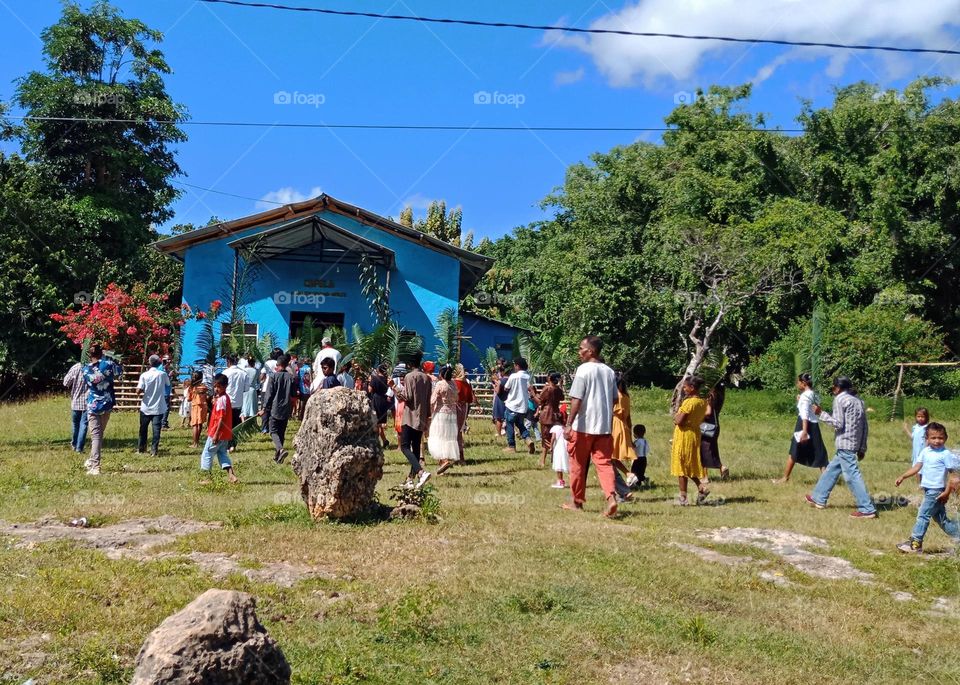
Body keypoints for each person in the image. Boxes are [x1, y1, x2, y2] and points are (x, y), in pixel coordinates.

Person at [562, 336, 619, 518]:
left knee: (578, 464)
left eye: (581, 349)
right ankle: (611, 498)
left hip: (583, 426)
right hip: (604, 427)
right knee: (604, 464)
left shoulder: (583, 370)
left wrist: (569, 424)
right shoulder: (609, 372)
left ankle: (577, 502)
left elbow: (576, 399)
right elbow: (615, 399)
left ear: (591, 351)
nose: (579, 352)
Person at [805, 376, 877, 519]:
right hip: (854, 443)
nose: (833, 391)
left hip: (844, 443)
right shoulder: (858, 401)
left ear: (838, 388)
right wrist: (862, 447)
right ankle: (818, 497)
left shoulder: (840, 399)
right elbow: (864, 426)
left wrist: (820, 413)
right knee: (831, 470)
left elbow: (838, 424)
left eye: (833, 388)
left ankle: (867, 508)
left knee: (852, 476)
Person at [894, 422, 959, 553]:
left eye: (940, 438)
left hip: (936, 491)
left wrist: (946, 493)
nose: (937, 441)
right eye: (933, 438)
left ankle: (915, 544)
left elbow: (953, 476)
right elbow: (917, 467)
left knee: (922, 515)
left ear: (945, 438)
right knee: (941, 519)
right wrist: (903, 476)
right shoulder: (925, 451)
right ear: (927, 439)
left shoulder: (945, 454)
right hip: (928, 489)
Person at [387, 351, 432, 488]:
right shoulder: (426, 378)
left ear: (410, 364)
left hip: (410, 416)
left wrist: (393, 387)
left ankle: (421, 472)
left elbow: (406, 397)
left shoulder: (409, 377)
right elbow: (428, 398)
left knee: (405, 447)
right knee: (416, 448)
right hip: (422, 416)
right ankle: (411, 480)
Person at [773, 373, 829, 484]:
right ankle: (827, 479)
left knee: (794, 450)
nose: (797, 384)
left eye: (798, 382)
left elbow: (804, 413)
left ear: (803, 383)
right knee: (819, 451)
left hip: (804, 424)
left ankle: (785, 478)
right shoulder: (814, 394)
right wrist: (800, 401)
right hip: (814, 424)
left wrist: (804, 430)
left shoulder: (804, 396)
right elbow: (816, 409)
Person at [81, 345, 123, 476]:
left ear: (89, 355)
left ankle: (95, 465)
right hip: (107, 404)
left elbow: (92, 381)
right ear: (101, 353)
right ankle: (92, 459)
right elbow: (120, 372)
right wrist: (110, 358)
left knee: (96, 436)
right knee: (99, 435)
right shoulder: (109, 364)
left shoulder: (86, 369)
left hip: (94, 405)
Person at [671, 375, 710, 506]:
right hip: (695, 433)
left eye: (686, 386)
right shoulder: (702, 402)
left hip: (684, 435)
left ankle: (683, 497)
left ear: (692, 388)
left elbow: (679, 421)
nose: (684, 388)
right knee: (689, 464)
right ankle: (702, 488)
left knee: (681, 466)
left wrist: (676, 417)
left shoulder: (689, 402)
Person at [199, 373, 238, 484]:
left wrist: (216, 434)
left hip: (217, 432)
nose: (216, 389)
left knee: (207, 454)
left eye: (219, 387)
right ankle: (232, 476)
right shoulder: (224, 398)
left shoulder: (221, 400)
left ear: (225, 386)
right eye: (215, 386)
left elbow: (220, 418)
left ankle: (206, 478)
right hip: (225, 434)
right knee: (222, 454)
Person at [260, 353, 296, 464]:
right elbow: (294, 394)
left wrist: (264, 408)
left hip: (275, 408)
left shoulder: (274, 377)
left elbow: (269, 394)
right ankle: (278, 457)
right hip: (286, 408)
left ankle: (280, 449)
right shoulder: (291, 377)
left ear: (279, 365)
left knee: (273, 431)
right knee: (281, 432)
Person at [428, 365, 460, 474]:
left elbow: (432, 400)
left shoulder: (440, 384)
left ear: (441, 374)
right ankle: (443, 463)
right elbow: (457, 398)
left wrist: (430, 411)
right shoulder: (454, 384)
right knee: (448, 437)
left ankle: (444, 460)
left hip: (441, 413)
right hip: (452, 414)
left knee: (438, 437)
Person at [136, 354, 170, 456]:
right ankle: (154, 450)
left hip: (146, 406)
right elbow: (168, 384)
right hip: (159, 406)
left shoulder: (144, 375)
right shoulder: (163, 374)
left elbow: (138, 390)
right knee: (156, 430)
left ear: (149, 363)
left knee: (143, 428)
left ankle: (141, 448)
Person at [503, 357, 535, 454]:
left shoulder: (513, 376)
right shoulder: (528, 377)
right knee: (520, 425)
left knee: (509, 424)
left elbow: (506, 388)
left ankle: (511, 446)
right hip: (523, 406)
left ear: (517, 366)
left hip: (512, 405)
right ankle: (528, 439)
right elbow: (531, 389)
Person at [699, 383, 730, 482]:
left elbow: (708, 412)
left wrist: (697, 416)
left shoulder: (708, 396)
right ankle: (722, 468)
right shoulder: (717, 394)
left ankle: (704, 477)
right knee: (712, 450)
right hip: (713, 427)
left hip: (705, 427)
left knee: (703, 452)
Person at [610, 374, 634, 501]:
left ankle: (622, 490)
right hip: (623, 425)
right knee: (611, 458)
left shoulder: (617, 397)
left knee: (608, 459)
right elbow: (628, 417)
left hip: (615, 425)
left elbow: (612, 411)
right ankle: (627, 474)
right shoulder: (626, 396)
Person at [221, 354, 249, 452]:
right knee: (236, 425)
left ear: (228, 362)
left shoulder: (225, 372)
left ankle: (227, 444)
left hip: (227, 402)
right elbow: (246, 389)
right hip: (238, 402)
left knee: (226, 424)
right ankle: (233, 444)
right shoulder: (244, 373)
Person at [535, 372, 564, 468]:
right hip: (556, 415)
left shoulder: (547, 388)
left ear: (549, 378)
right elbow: (562, 397)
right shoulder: (558, 389)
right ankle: (552, 460)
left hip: (547, 416)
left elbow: (539, 400)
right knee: (554, 438)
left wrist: (532, 393)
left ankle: (542, 461)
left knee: (545, 438)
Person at [63, 358, 89, 453]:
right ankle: (79, 448)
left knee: (75, 424)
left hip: (76, 401)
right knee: (84, 424)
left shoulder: (76, 367)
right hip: (88, 402)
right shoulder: (93, 368)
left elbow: (66, 382)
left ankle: (74, 444)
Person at [453, 364, 476, 463]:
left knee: (452, 433)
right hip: (463, 409)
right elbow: (470, 399)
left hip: (454, 409)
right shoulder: (466, 384)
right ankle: (461, 457)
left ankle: (452, 456)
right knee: (459, 433)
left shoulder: (453, 383)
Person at [368, 363, 392, 448]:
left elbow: (370, 389)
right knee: (380, 422)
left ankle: (376, 442)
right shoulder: (386, 379)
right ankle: (384, 441)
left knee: (376, 422)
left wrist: (369, 382)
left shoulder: (375, 378)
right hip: (384, 399)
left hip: (376, 399)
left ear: (378, 370)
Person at [259, 347, 282, 434]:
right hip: (276, 389)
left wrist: (261, 381)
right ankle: (273, 427)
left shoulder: (267, 363)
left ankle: (264, 428)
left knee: (265, 408)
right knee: (274, 409)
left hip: (266, 388)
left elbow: (262, 375)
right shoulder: (279, 364)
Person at [189, 371, 208, 449]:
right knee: (199, 424)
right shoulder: (204, 387)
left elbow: (188, 399)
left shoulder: (192, 387)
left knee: (195, 425)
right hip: (203, 406)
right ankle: (197, 441)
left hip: (195, 406)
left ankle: (194, 443)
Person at [628, 424, 650, 489]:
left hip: (637, 459)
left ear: (635, 434)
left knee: (634, 471)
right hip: (644, 458)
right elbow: (648, 449)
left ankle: (636, 483)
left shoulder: (637, 441)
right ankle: (641, 481)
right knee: (641, 471)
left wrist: (629, 441)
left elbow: (633, 446)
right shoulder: (645, 441)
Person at [550, 417, 569, 489]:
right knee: (565, 463)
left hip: (558, 448)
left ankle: (560, 481)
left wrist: (551, 446)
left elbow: (553, 438)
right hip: (565, 447)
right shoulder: (564, 427)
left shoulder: (555, 428)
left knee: (558, 465)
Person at [491, 359, 507, 437]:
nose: (498, 365)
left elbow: (497, 387)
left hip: (501, 395)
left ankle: (502, 430)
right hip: (499, 395)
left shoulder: (504, 374)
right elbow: (493, 382)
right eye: (497, 363)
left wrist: (496, 383)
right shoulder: (496, 373)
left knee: (499, 416)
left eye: (499, 363)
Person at [241, 354, 259, 421]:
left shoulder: (244, 370)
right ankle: (254, 422)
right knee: (253, 406)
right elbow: (258, 381)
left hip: (245, 389)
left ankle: (243, 421)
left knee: (244, 406)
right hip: (252, 389)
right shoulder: (256, 371)